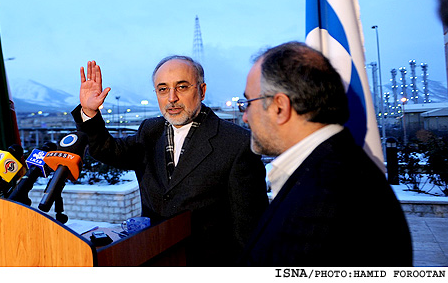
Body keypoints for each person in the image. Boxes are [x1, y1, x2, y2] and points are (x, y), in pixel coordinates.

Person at [72, 57, 268, 266]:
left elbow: (250, 229)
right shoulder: (150, 131)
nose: (172, 98)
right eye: (163, 89)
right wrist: (90, 112)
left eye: (182, 87)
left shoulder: (236, 143)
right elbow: (108, 151)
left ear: (201, 90)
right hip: (154, 257)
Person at [238, 42, 412, 266]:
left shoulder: (320, 201)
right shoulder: (336, 166)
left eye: (248, 103)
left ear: (279, 107)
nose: (245, 117)